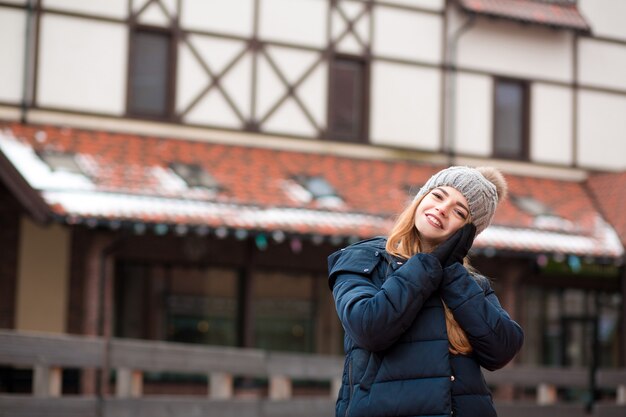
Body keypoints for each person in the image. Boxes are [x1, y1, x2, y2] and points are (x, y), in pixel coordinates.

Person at [328, 166, 524, 417]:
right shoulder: (365, 259)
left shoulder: (470, 284)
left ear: (466, 232)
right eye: (438, 196)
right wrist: (429, 265)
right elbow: (368, 327)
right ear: (421, 197)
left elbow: (503, 349)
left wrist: (452, 273)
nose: (442, 209)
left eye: (459, 211)